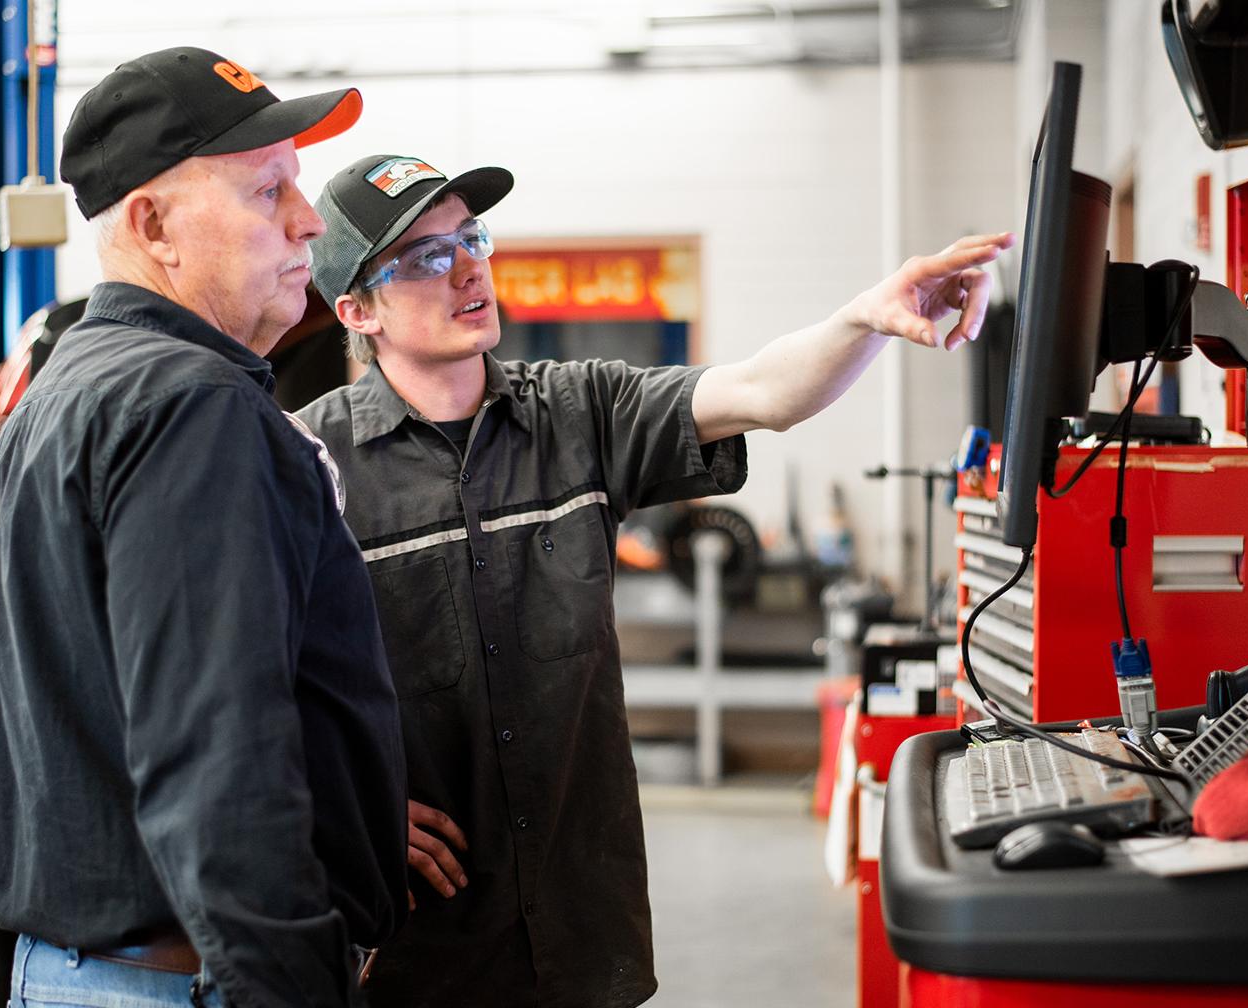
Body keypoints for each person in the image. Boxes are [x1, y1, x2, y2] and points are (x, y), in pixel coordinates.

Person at [296, 152, 1011, 1008]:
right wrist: (339, 802)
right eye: (425, 257)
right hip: (415, 940)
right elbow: (245, 677)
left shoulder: (579, 410)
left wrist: (866, 317)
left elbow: (761, 392)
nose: (469, 267)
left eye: (470, 238)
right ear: (356, 309)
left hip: (579, 923)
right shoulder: (308, 465)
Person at [0, 50, 407, 1008]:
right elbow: (218, 750)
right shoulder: (192, 408)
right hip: (187, 982)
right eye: (266, 189)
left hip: (80, 968)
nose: (309, 219)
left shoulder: (66, 391)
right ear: (154, 226)